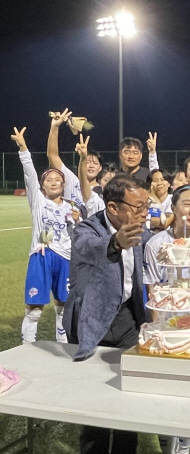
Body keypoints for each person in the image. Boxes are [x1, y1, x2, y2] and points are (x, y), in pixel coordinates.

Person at [62, 173, 151, 454]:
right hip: (91, 320)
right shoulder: (87, 229)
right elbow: (87, 247)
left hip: (127, 320)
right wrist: (115, 243)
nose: (145, 213)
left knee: (129, 396)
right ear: (113, 208)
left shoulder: (139, 229)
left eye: (147, 205)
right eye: (138, 207)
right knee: (94, 401)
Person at [14, 127, 77, 344]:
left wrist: (77, 219)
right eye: (48, 179)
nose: (52, 181)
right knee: (34, 310)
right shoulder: (38, 202)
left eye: (56, 179)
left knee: (62, 307)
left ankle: (64, 347)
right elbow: (29, 174)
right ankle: (27, 349)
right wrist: (23, 148)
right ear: (41, 185)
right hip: (42, 254)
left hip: (65, 257)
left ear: (63, 184)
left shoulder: (71, 207)